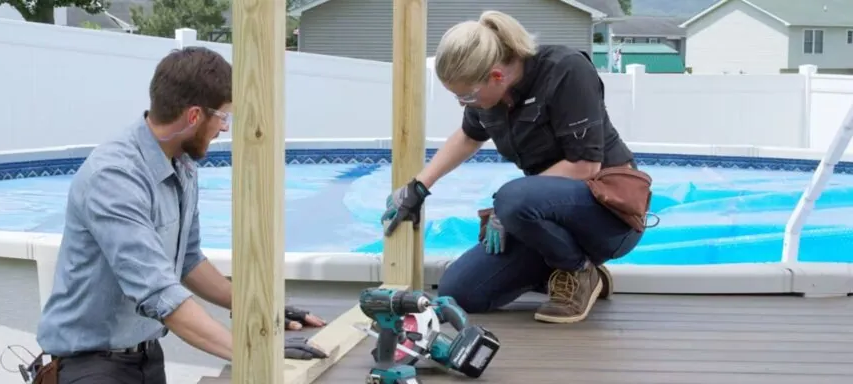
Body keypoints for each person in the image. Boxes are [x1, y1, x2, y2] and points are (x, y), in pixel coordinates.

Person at [34, 47, 327, 384]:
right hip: (90, 367)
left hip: (146, 355)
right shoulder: (114, 176)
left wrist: (260, 307)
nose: (225, 129)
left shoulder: (182, 164)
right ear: (193, 116)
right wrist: (254, 353)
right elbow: (158, 292)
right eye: (223, 117)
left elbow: (187, 260)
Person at [381, 11, 645, 324]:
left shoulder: (565, 70)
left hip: (608, 214)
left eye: (466, 95)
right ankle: (559, 270)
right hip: (541, 215)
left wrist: (508, 209)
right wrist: (418, 186)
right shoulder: (488, 100)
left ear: (497, 76)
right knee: (460, 292)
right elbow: (468, 136)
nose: (463, 104)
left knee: (511, 199)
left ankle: (578, 271)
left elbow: (586, 165)